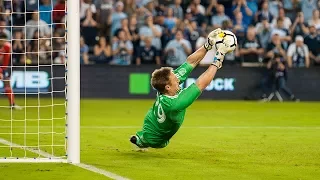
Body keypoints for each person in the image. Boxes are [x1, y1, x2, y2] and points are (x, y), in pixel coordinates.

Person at [130, 28, 233, 149]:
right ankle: (140, 140)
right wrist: (218, 59)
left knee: (147, 129)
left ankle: (139, 138)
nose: (177, 77)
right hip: (156, 138)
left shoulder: (168, 85)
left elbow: (190, 62)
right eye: (174, 77)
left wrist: (207, 45)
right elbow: (201, 84)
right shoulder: (175, 104)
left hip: (152, 118)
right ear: (168, 87)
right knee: (146, 140)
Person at [0, 33, 21, 109]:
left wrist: (2, 70)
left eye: (4, 40)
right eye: (1, 40)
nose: (3, 42)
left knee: (7, 85)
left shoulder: (7, 46)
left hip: (3, 68)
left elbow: (6, 60)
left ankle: (12, 104)